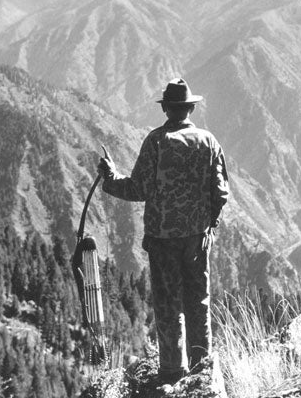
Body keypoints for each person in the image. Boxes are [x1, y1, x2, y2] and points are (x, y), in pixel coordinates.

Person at [97, 78, 229, 384]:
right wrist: (209, 226)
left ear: (167, 108)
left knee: (169, 305)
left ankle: (171, 371)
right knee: (198, 301)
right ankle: (202, 369)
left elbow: (138, 188)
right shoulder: (209, 142)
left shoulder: (156, 141)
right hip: (197, 239)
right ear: (190, 108)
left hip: (162, 240)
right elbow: (220, 193)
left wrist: (110, 176)